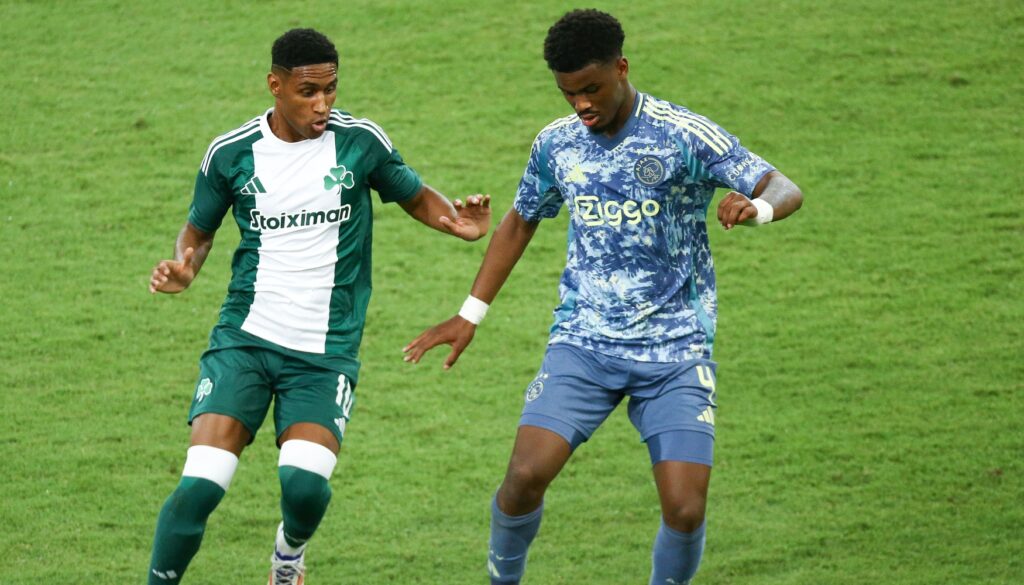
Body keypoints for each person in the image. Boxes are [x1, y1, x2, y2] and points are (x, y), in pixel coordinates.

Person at [402, 9, 802, 585]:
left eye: (591, 89)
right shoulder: (557, 144)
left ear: (622, 68)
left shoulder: (683, 134)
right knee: (522, 478)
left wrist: (758, 208)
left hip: (675, 350)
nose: (581, 105)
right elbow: (521, 219)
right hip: (584, 344)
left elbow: (781, 185)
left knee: (685, 509)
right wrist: (470, 314)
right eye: (569, 93)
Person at [146, 28, 491, 585]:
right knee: (200, 486)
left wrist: (457, 222)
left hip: (323, 352)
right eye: (308, 92)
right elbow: (199, 231)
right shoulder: (230, 153)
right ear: (275, 85)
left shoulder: (359, 142)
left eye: (330, 89)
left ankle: (288, 554)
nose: (322, 104)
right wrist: (185, 267)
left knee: (304, 488)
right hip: (244, 340)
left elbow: (415, 195)